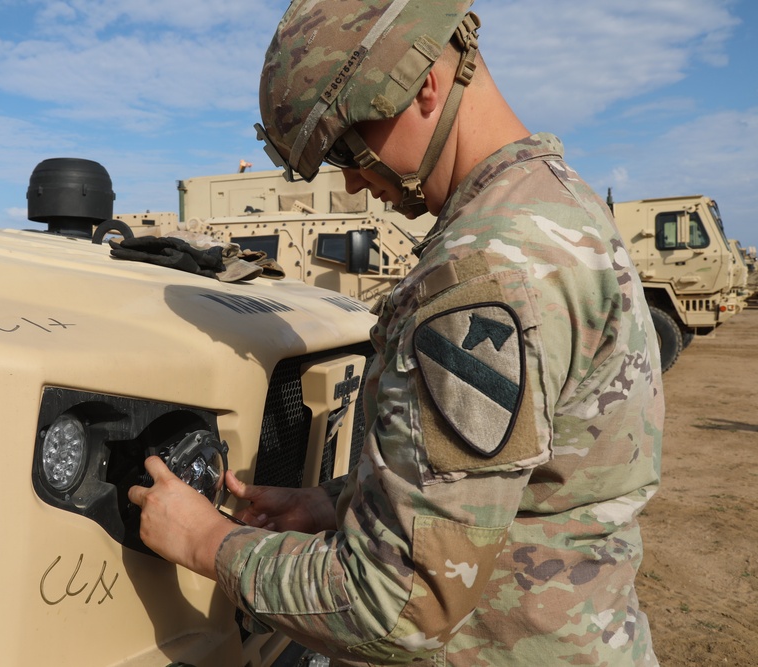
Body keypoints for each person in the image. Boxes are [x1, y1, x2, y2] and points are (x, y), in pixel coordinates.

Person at [128, 0, 664, 664]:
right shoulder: (555, 204)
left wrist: (205, 540)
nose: (353, 181)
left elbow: (398, 604)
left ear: (426, 87)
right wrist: (339, 504)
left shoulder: (487, 270)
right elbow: (515, 487)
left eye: (349, 147)